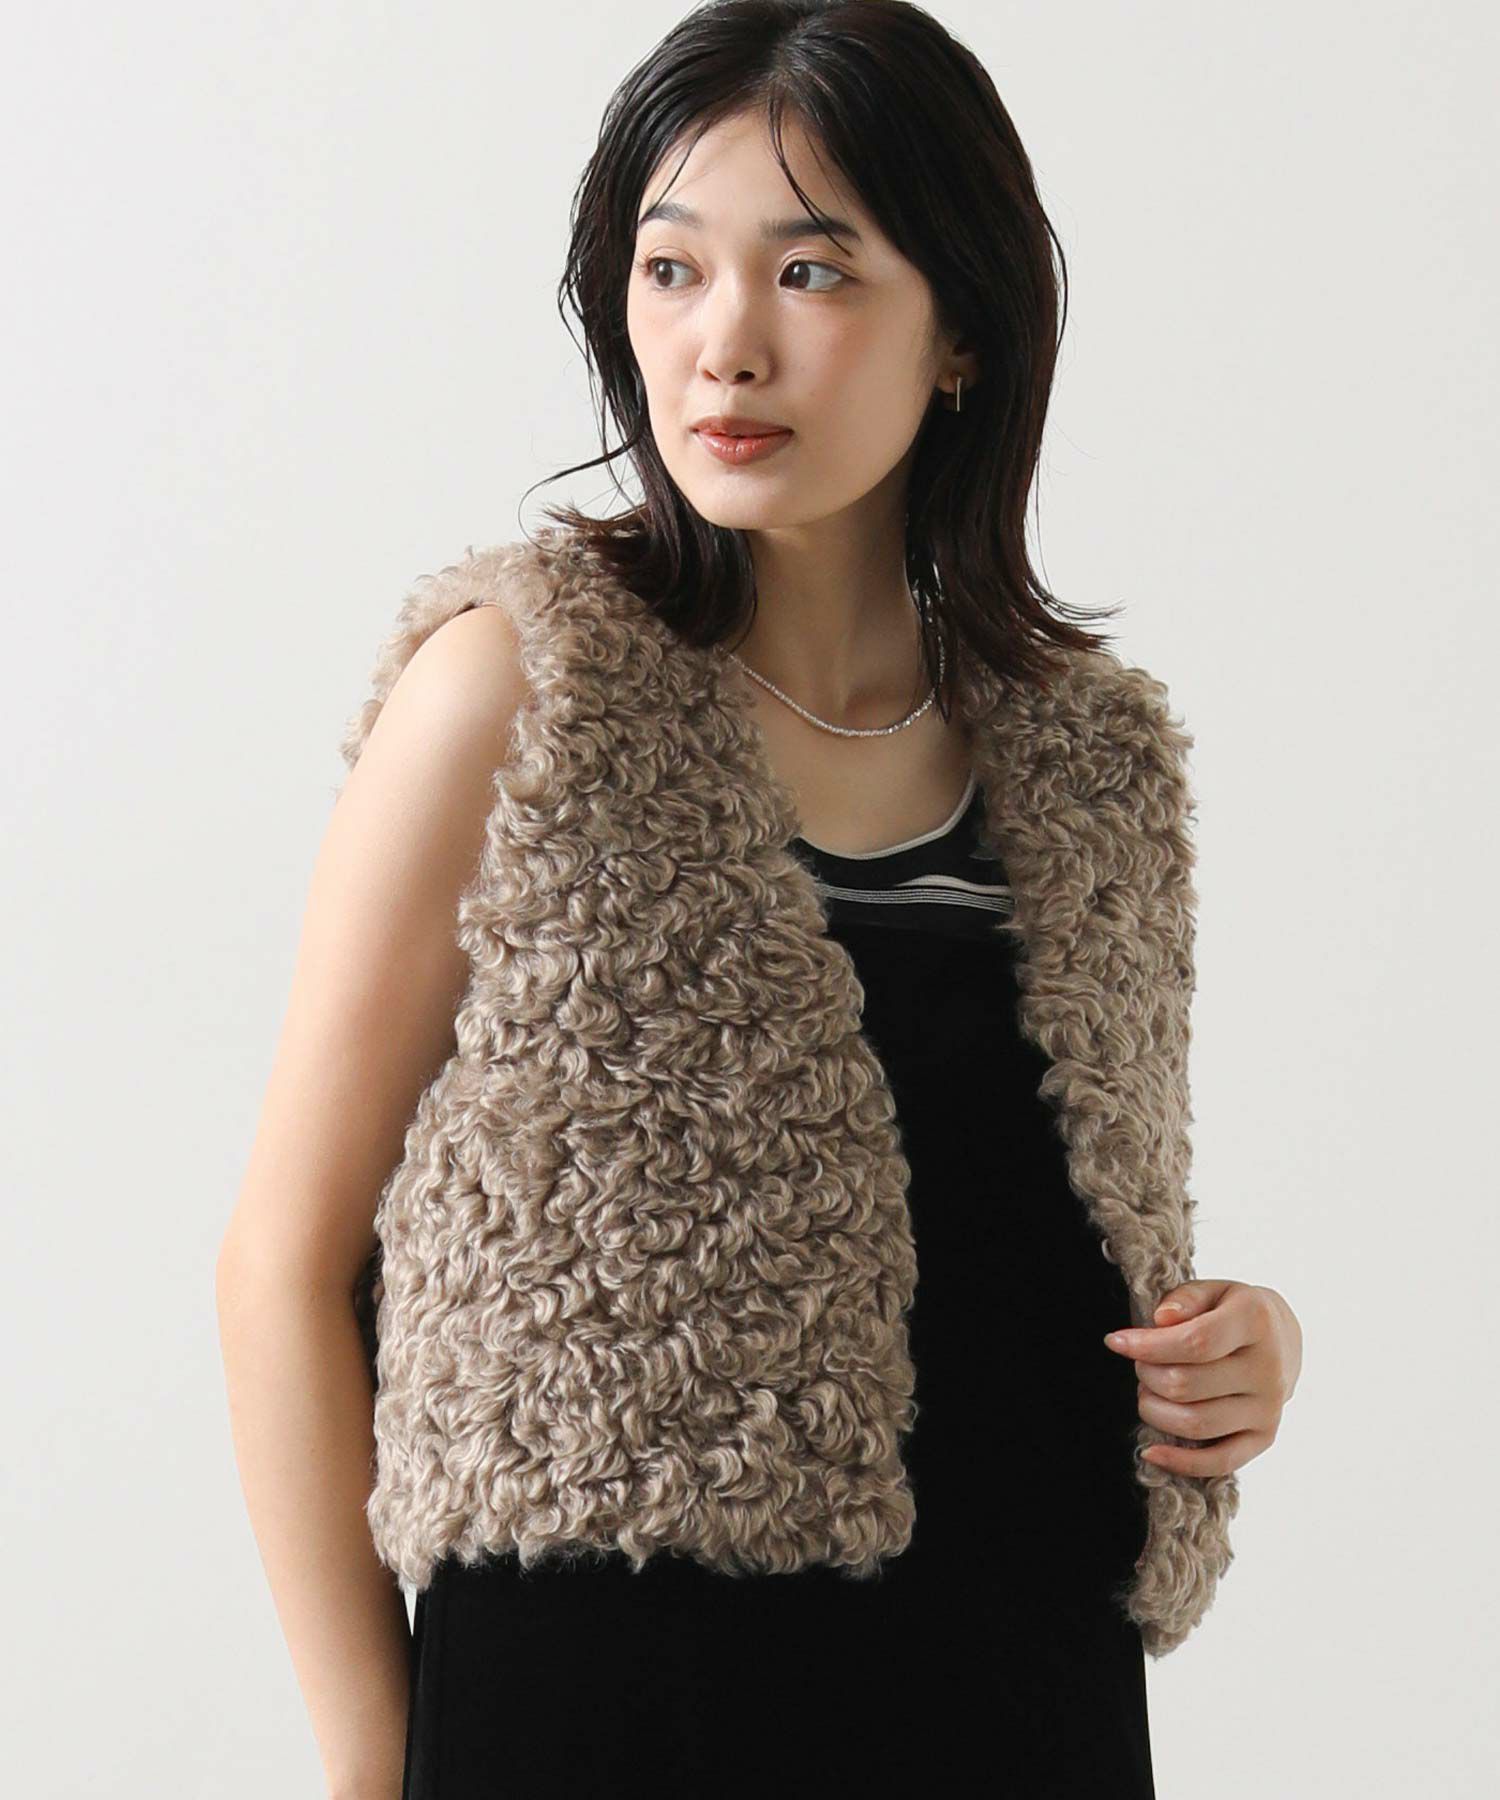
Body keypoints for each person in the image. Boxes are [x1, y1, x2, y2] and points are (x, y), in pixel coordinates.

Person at [215, 4, 1304, 1796]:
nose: (724, 343)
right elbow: (280, 1264)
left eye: (812, 271)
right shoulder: (520, 690)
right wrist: (367, 1760)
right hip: (602, 1711)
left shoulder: (1089, 762)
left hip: (1019, 1690)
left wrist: (1242, 1349)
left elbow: (1055, 1236)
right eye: (670, 269)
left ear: (963, 331)